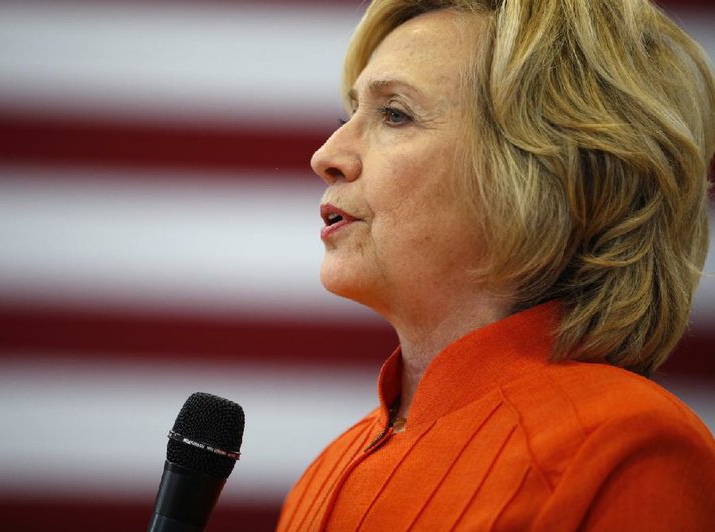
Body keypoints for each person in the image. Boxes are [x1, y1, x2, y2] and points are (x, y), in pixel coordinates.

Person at [277, 0, 715, 530]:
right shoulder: (324, 473)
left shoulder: (627, 450)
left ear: (549, 172)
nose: (326, 154)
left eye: (395, 113)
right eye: (348, 116)